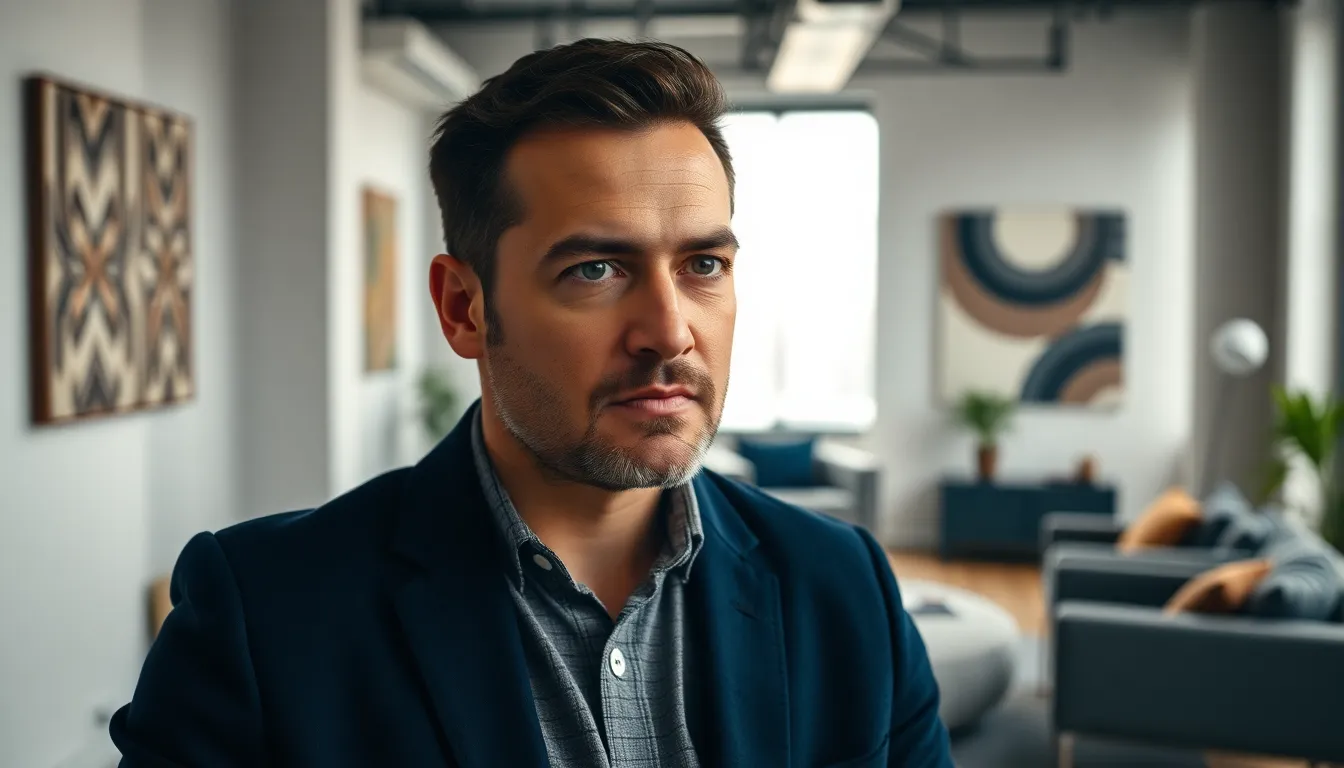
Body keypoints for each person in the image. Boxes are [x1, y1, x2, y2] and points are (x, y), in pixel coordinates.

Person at [110, 38, 952, 767]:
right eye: (595, 269)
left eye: (703, 265)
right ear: (464, 309)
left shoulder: (843, 587)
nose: (668, 332)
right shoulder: (266, 615)